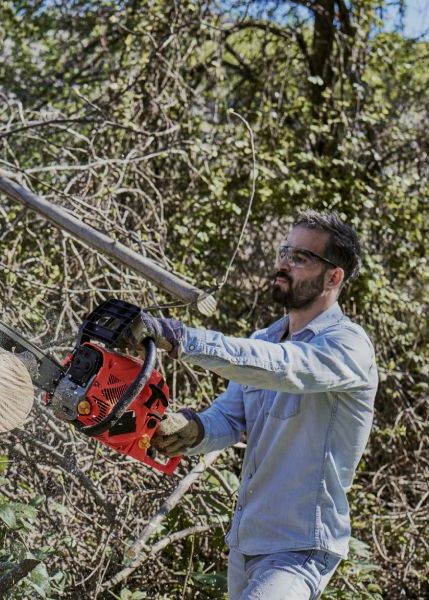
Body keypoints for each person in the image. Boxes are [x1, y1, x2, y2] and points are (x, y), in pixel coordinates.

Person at [130, 211, 378, 600]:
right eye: (284, 252)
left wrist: (182, 338)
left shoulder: (347, 345)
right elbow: (230, 418)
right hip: (247, 543)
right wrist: (191, 429)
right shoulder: (267, 337)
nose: (283, 264)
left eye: (300, 258)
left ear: (334, 278)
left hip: (300, 547)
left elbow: (283, 368)